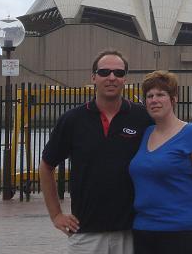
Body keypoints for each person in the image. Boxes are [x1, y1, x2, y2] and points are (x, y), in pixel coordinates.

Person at [39, 50, 153, 253]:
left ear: (125, 78)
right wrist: (56, 215)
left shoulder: (143, 118)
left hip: (132, 231)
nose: (111, 78)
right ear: (93, 77)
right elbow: (47, 166)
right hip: (86, 232)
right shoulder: (72, 120)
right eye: (104, 72)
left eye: (118, 73)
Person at [129, 70, 192, 254]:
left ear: (173, 99)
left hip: (184, 233)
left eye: (161, 95)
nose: (154, 100)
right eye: (150, 96)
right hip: (144, 233)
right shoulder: (145, 134)